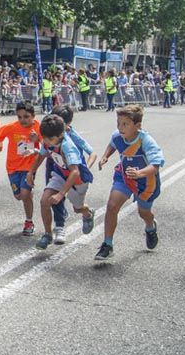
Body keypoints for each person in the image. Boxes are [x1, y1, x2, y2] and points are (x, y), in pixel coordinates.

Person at [95, 104, 165, 261]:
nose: (120, 127)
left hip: (146, 182)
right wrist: (105, 156)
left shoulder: (146, 141)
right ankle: (107, 244)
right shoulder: (118, 136)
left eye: (125, 124)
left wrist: (139, 173)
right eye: (118, 123)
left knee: (143, 213)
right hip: (125, 176)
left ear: (137, 125)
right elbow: (112, 144)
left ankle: (150, 226)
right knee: (112, 206)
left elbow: (155, 165)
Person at [30, 113, 95, 249]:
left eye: (50, 139)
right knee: (44, 201)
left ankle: (88, 213)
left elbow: (75, 172)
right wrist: (31, 172)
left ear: (60, 135)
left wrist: (61, 194)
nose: (46, 141)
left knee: (77, 208)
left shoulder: (67, 146)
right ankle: (48, 235)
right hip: (60, 174)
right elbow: (41, 156)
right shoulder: (48, 140)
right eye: (44, 138)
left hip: (77, 180)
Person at [0, 101, 40, 236]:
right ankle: (27, 192)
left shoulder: (38, 127)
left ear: (33, 116)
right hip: (12, 167)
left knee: (25, 194)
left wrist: (36, 140)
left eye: (26, 117)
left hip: (29, 167)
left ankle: (29, 222)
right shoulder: (11, 127)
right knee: (19, 196)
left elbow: (45, 146)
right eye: (19, 117)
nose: (22, 120)